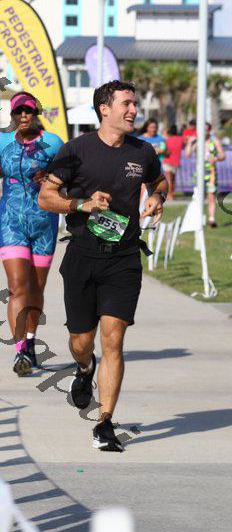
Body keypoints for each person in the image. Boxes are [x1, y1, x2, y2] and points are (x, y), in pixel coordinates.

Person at [38, 80, 168, 452]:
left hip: (123, 258)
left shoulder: (143, 151)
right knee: (82, 342)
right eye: (126, 104)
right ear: (104, 109)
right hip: (82, 255)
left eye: (135, 104)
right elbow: (46, 197)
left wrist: (157, 197)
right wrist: (82, 204)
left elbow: (159, 181)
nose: (134, 110)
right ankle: (84, 368)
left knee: (113, 339)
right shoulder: (75, 150)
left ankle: (105, 422)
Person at [0, 92, 63, 376]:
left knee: (36, 288)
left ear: (36, 112)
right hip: (10, 222)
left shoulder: (54, 143)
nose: (23, 115)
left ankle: (30, 339)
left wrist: (50, 179)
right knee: (17, 286)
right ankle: (20, 352)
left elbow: (71, 181)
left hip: (44, 223)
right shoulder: (3, 142)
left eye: (28, 110)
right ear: (13, 115)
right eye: (18, 111)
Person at [186, 122, 225, 227]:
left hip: (211, 173)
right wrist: (190, 143)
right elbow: (188, 154)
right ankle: (198, 218)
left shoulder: (215, 141)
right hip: (199, 173)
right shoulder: (197, 141)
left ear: (209, 130)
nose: (204, 132)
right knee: (198, 196)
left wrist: (216, 158)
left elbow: (222, 155)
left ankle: (211, 219)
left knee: (211, 195)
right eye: (202, 130)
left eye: (206, 130)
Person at [163, 124, 184, 201]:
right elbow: (183, 146)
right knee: (173, 179)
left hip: (167, 160)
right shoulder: (180, 139)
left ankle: (169, 195)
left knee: (169, 179)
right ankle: (171, 194)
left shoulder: (167, 140)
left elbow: (164, 149)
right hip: (176, 161)